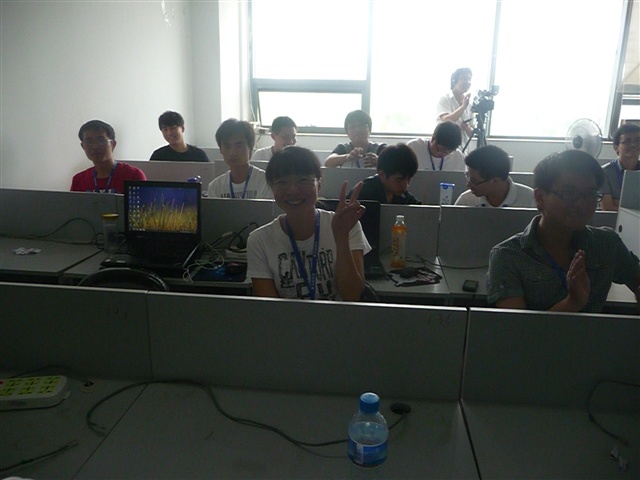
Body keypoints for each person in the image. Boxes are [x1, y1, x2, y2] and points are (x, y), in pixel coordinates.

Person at [487, 149, 640, 313]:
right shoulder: (508, 256)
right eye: (569, 193)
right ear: (540, 198)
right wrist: (572, 303)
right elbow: (515, 327)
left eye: (590, 194)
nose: (582, 204)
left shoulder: (607, 244)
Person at [247, 146, 371, 301]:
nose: (292, 191)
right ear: (272, 188)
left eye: (303, 181)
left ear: (319, 184)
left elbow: (352, 296)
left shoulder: (347, 226)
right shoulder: (259, 240)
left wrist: (341, 236)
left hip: (339, 316)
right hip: (287, 317)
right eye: (282, 182)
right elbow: (270, 309)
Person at [71, 120, 146, 194]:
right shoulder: (78, 180)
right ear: (83, 146)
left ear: (113, 144)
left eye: (101, 140)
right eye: (89, 141)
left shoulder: (133, 176)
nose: (95, 146)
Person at [207, 119, 272, 199]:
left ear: (250, 148)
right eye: (227, 146)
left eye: (239, 146)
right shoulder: (215, 187)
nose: (232, 152)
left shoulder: (265, 181)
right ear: (221, 149)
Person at [455, 145, 535, 208]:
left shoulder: (531, 200)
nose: (468, 185)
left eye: (474, 181)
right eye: (468, 177)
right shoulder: (466, 201)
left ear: (495, 181)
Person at [350, 143, 421, 204]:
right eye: (399, 180)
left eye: (409, 179)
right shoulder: (364, 193)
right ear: (381, 174)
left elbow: (420, 210)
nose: (405, 185)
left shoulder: (402, 195)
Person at [600, 123, 640, 211]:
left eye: (637, 141)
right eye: (627, 141)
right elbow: (607, 207)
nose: (633, 145)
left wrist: (618, 203)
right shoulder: (605, 173)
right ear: (616, 147)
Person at [437, 67, 475, 146]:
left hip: (463, 148)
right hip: (445, 146)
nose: (467, 82)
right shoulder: (445, 99)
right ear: (454, 80)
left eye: (469, 79)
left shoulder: (469, 104)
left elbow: (472, 133)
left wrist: (467, 128)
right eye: (464, 79)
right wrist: (463, 107)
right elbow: (445, 121)